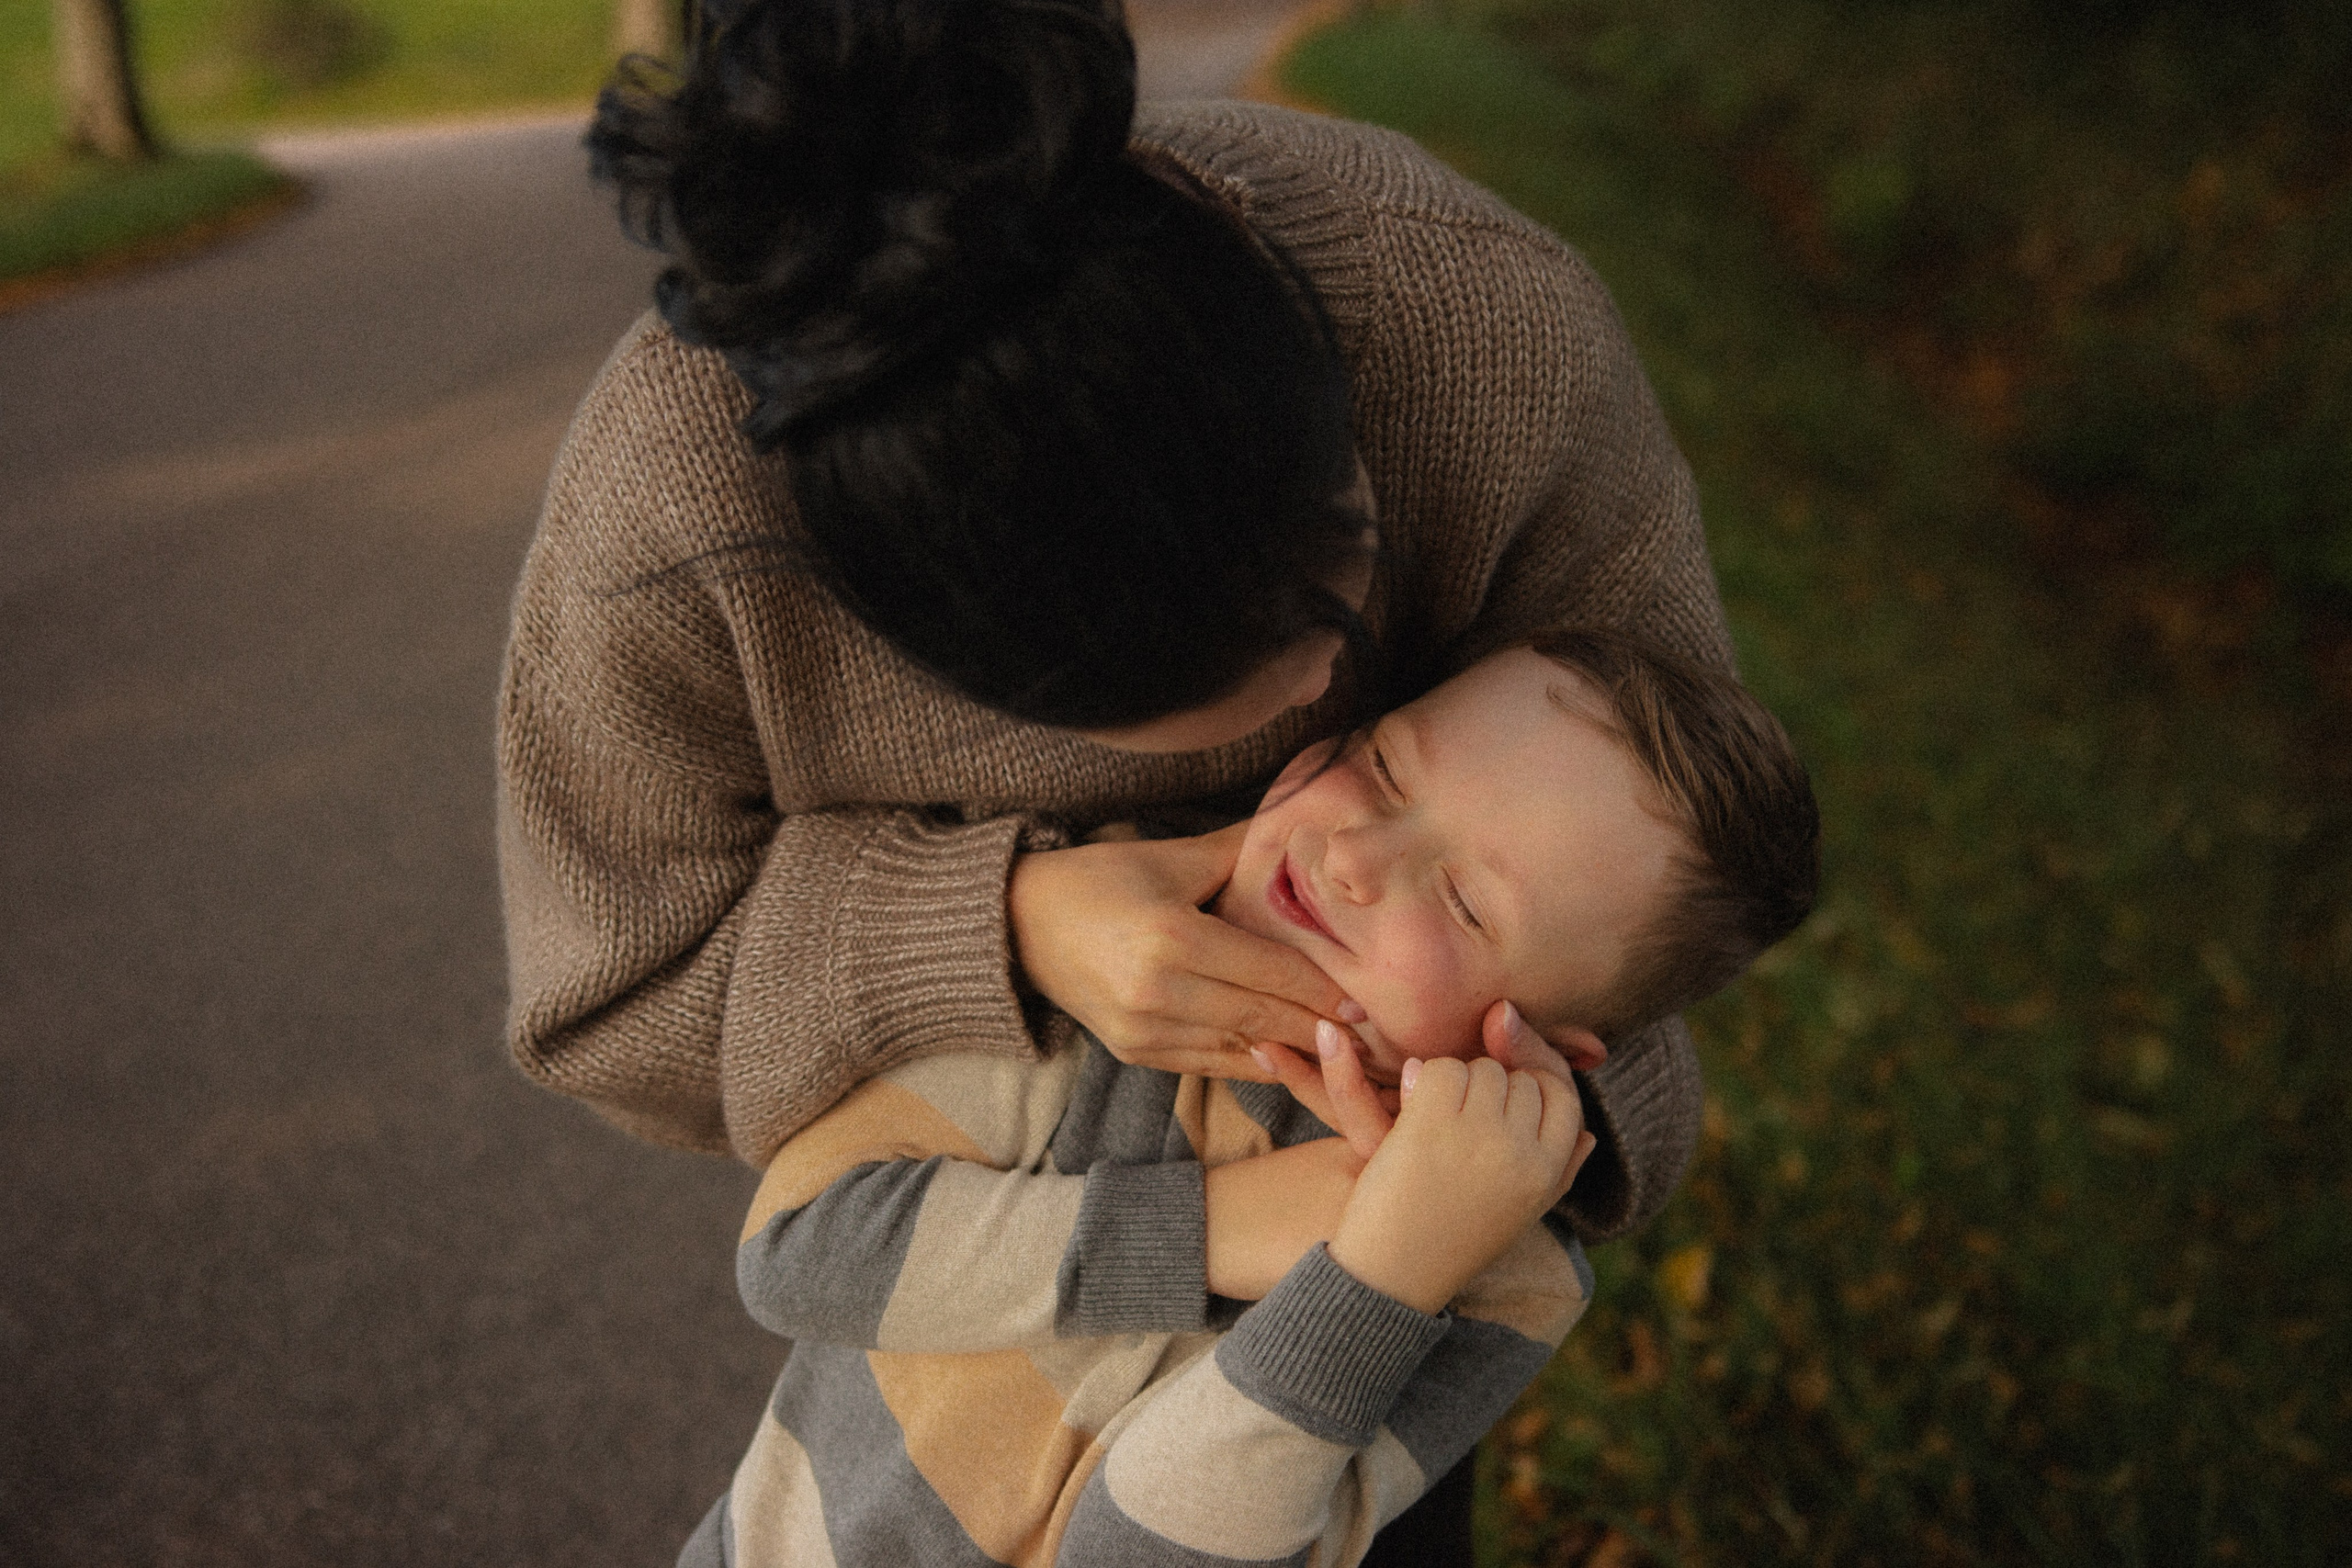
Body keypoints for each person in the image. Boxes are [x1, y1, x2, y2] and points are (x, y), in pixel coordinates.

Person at [500, 3, 1743, 1557]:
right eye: (1173, 695)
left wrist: (1435, 1172)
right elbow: (612, 1005)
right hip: (952, 1334)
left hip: (1358, 1294)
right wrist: (1002, 920)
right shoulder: (668, 521)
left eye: (1341, 585)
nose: (1317, 694)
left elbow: (1679, 869)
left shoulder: (1487, 323)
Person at [679, 627, 1820, 1567]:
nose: (1358, 854)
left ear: (1543, 1050)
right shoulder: (1111, 974)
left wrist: (1381, 1275)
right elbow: (799, 1251)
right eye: (1381, 767)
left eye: (1467, 906)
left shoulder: (1501, 1280)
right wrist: (1219, 1229)